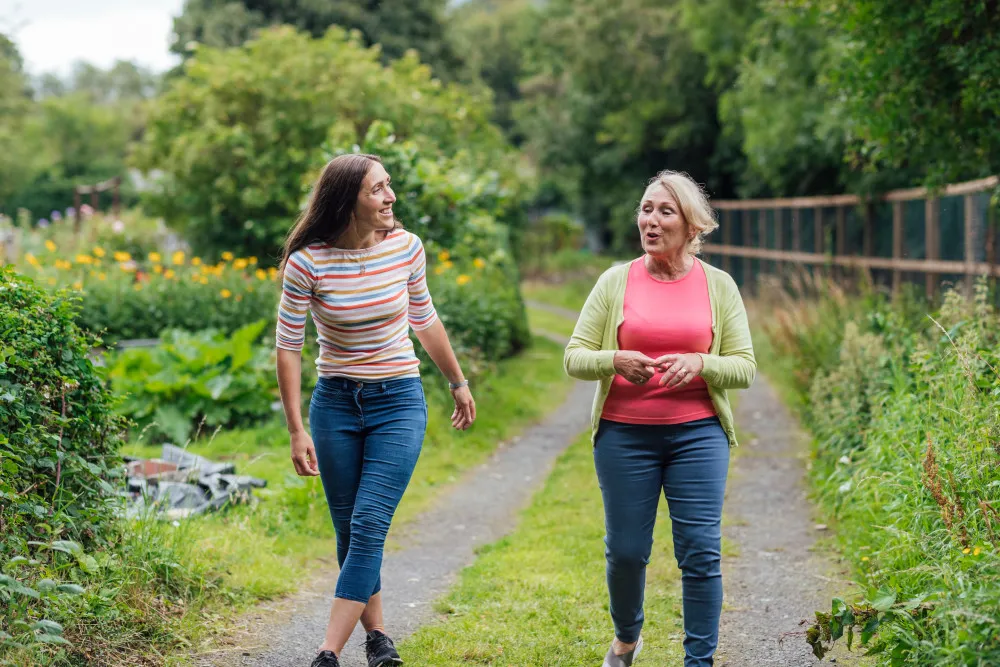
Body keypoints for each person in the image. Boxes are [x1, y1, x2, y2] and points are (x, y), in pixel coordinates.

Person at [275, 153, 477, 667]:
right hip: (336, 405)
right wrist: (296, 430)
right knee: (349, 529)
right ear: (348, 201)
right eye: (378, 190)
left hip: (399, 403)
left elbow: (425, 320)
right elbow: (288, 347)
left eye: (389, 186)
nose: (391, 197)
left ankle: (326, 651)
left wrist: (457, 382)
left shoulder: (406, 248)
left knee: (368, 523)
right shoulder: (307, 264)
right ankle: (379, 638)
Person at [564, 170, 756, 667]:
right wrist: (614, 359)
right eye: (646, 209)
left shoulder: (719, 286)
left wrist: (701, 363)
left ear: (692, 226)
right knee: (627, 552)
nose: (650, 220)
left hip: (698, 434)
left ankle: (700, 661)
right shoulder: (615, 281)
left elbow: (744, 367)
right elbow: (574, 356)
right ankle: (627, 639)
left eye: (664, 211)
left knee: (700, 552)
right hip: (625, 436)